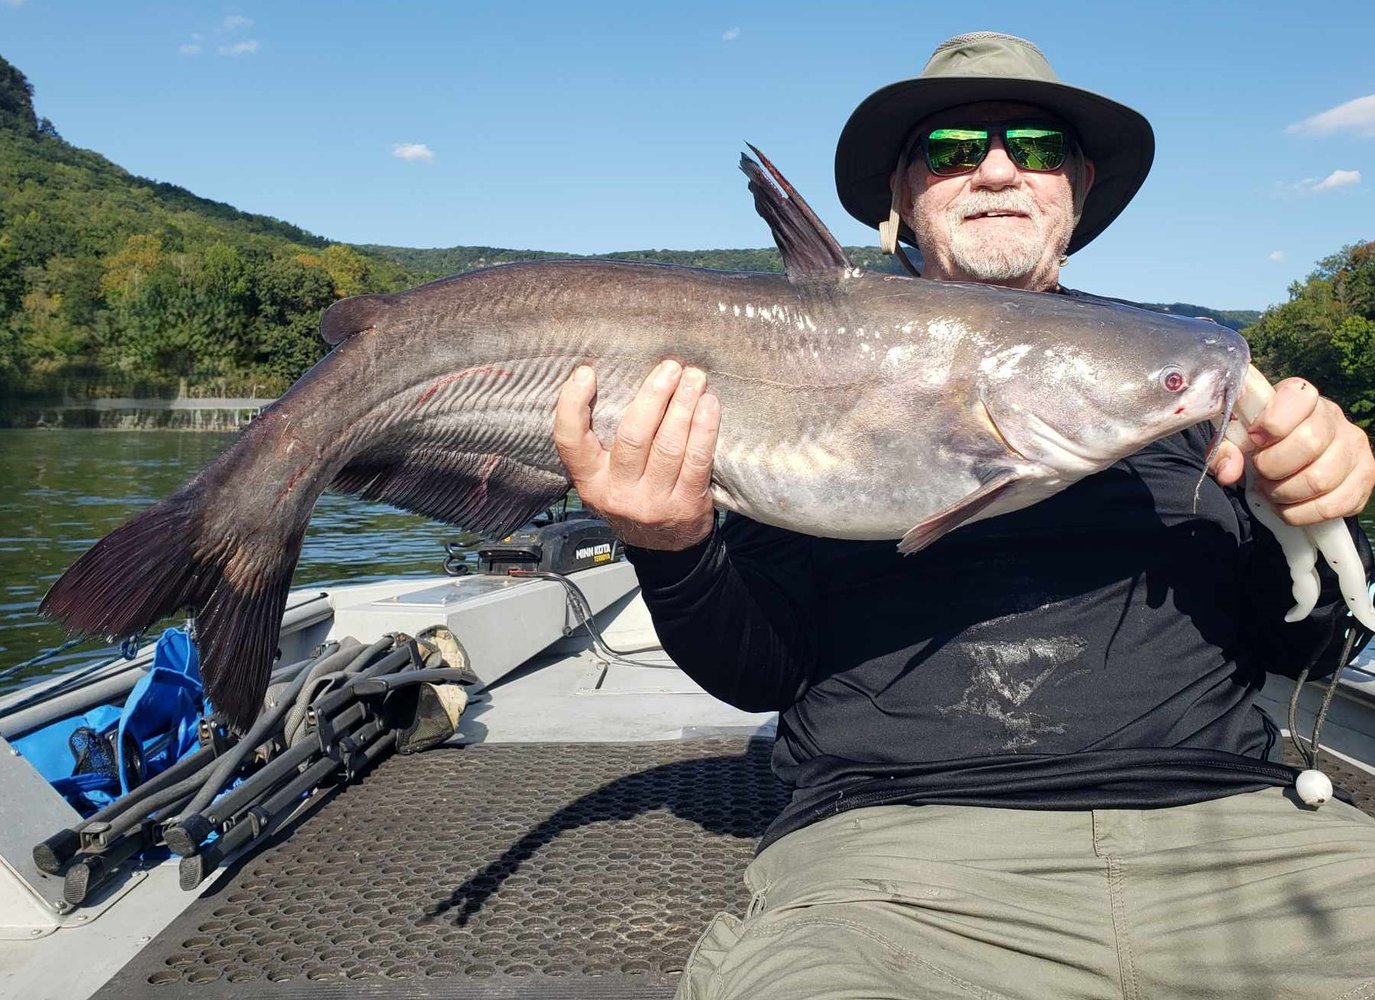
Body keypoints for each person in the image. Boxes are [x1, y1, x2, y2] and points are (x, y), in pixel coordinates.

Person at [554, 32, 1375, 999]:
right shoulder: (807, 385)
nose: (995, 168)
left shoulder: (1182, 381)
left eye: (1034, 145)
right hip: (895, 869)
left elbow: (1315, 654)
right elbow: (756, 672)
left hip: (1238, 840)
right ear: (900, 197)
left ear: (1074, 191)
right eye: (949, 149)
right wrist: (669, 544)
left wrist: (1317, 519)